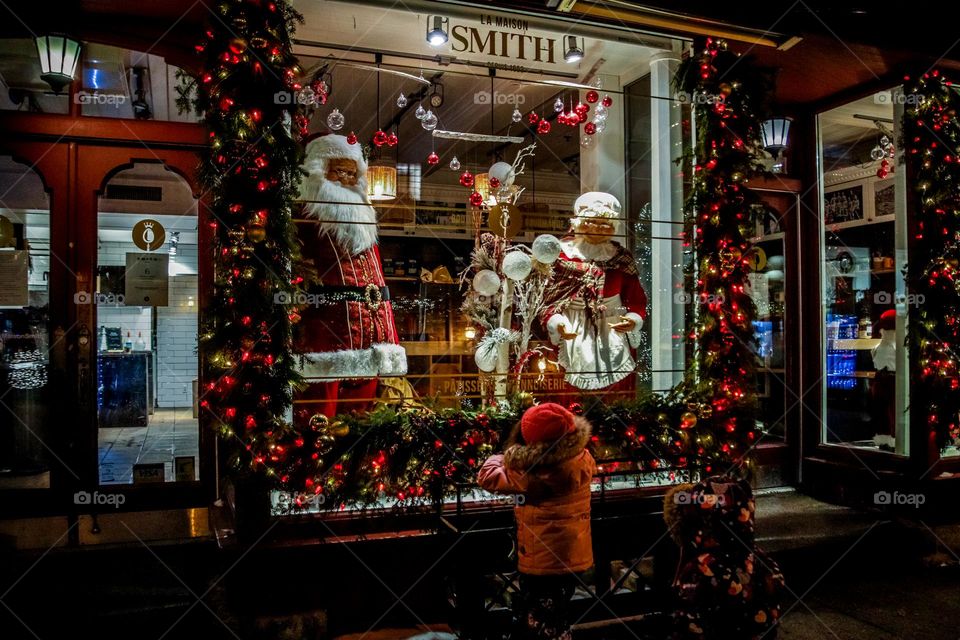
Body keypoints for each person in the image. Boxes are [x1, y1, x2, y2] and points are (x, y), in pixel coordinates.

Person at [292, 133, 406, 424]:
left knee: (362, 427)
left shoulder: (364, 218)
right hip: (326, 338)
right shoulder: (304, 214)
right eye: (340, 171)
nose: (348, 179)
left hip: (373, 340)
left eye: (353, 173)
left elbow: (378, 283)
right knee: (319, 424)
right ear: (319, 170)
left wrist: (390, 338)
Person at [478, 403, 596, 640]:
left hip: (542, 559)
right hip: (572, 553)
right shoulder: (582, 457)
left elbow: (487, 476)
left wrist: (502, 457)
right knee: (557, 611)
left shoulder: (533, 473)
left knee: (539, 617)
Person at [540, 192, 647, 396]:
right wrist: (556, 321)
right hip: (572, 328)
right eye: (592, 222)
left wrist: (633, 320)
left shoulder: (621, 258)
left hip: (612, 329)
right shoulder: (560, 256)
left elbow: (636, 298)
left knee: (615, 393)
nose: (599, 228)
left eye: (605, 223)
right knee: (571, 392)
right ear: (579, 223)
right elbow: (547, 298)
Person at [870, 309, 897, 450]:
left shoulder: (878, 347)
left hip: (883, 381)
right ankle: (888, 438)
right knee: (887, 411)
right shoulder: (895, 347)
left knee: (887, 411)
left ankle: (887, 438)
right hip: (886, 380)